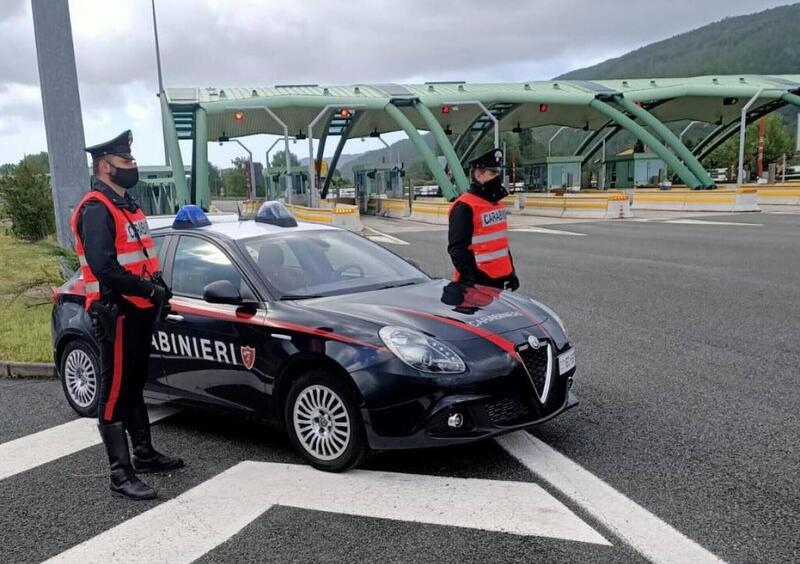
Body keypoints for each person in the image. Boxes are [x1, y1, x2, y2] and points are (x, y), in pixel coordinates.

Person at [70, 130, 183, 500]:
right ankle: (120, 473)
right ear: (105, 166)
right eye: (125, 162)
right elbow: (104, 267)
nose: (132, 167)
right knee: (115, 391)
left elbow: (141, 258)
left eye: (132, 161)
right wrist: (149, 291)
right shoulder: (95, 209)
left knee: (134, 385)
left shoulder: (125, 205)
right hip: (115, 312)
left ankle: (145, 455)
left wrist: (158, 288)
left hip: (137, 311)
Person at [447, 148, 520, 291]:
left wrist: (511, 272)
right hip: (477, 282)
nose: (497, 177)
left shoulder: (497, 204)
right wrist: (472, 280)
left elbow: (501, 244)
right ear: (479, 175)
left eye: (498, 173)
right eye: (492, 173)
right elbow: (457, 250)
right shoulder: (464, 207)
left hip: (499, 280)